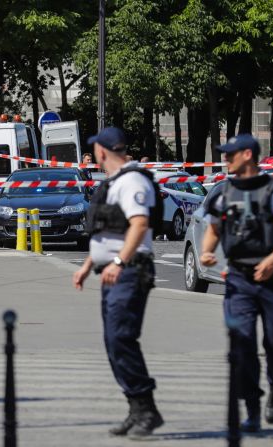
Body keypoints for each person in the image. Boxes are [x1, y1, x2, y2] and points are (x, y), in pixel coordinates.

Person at [200, 133, 273, 432]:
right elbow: (214, 229)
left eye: (229, 154)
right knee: (242, 346)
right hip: (238, 280)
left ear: (247, 154)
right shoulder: (223, 192)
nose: (224, 159)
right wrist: (207, 251)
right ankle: (253, 408)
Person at [73, 127, 163, 440]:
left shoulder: (132, 181)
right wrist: (88, 265)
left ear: (102, 151)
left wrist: (119, 262)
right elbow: (106, 232)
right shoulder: (113, 183)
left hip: (130, 272)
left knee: (122, 338)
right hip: (113, 271)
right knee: (114, 342)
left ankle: (146, 409)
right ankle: (136, 407)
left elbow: (139, 225)